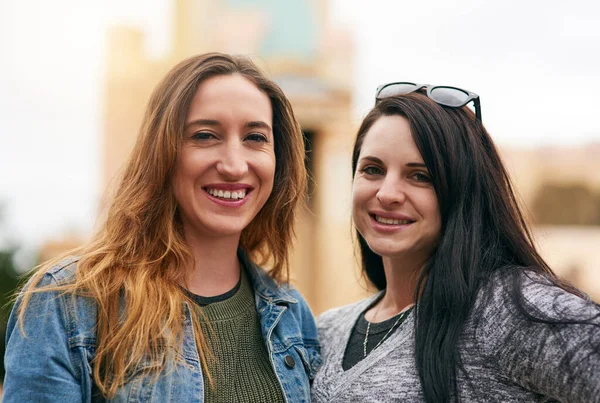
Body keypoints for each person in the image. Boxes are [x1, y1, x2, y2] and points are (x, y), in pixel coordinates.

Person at [3, 53, 321, 402]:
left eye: (255, 138)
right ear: (163, 152)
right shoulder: (66, 302)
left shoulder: (293, 315)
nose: (233, 165)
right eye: (205, 135)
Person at [311, 82, 600, 402]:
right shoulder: (329, 329)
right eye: (372, 169)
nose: (387, 193)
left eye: (420, 175)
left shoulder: (505, 308)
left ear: (463, 191)